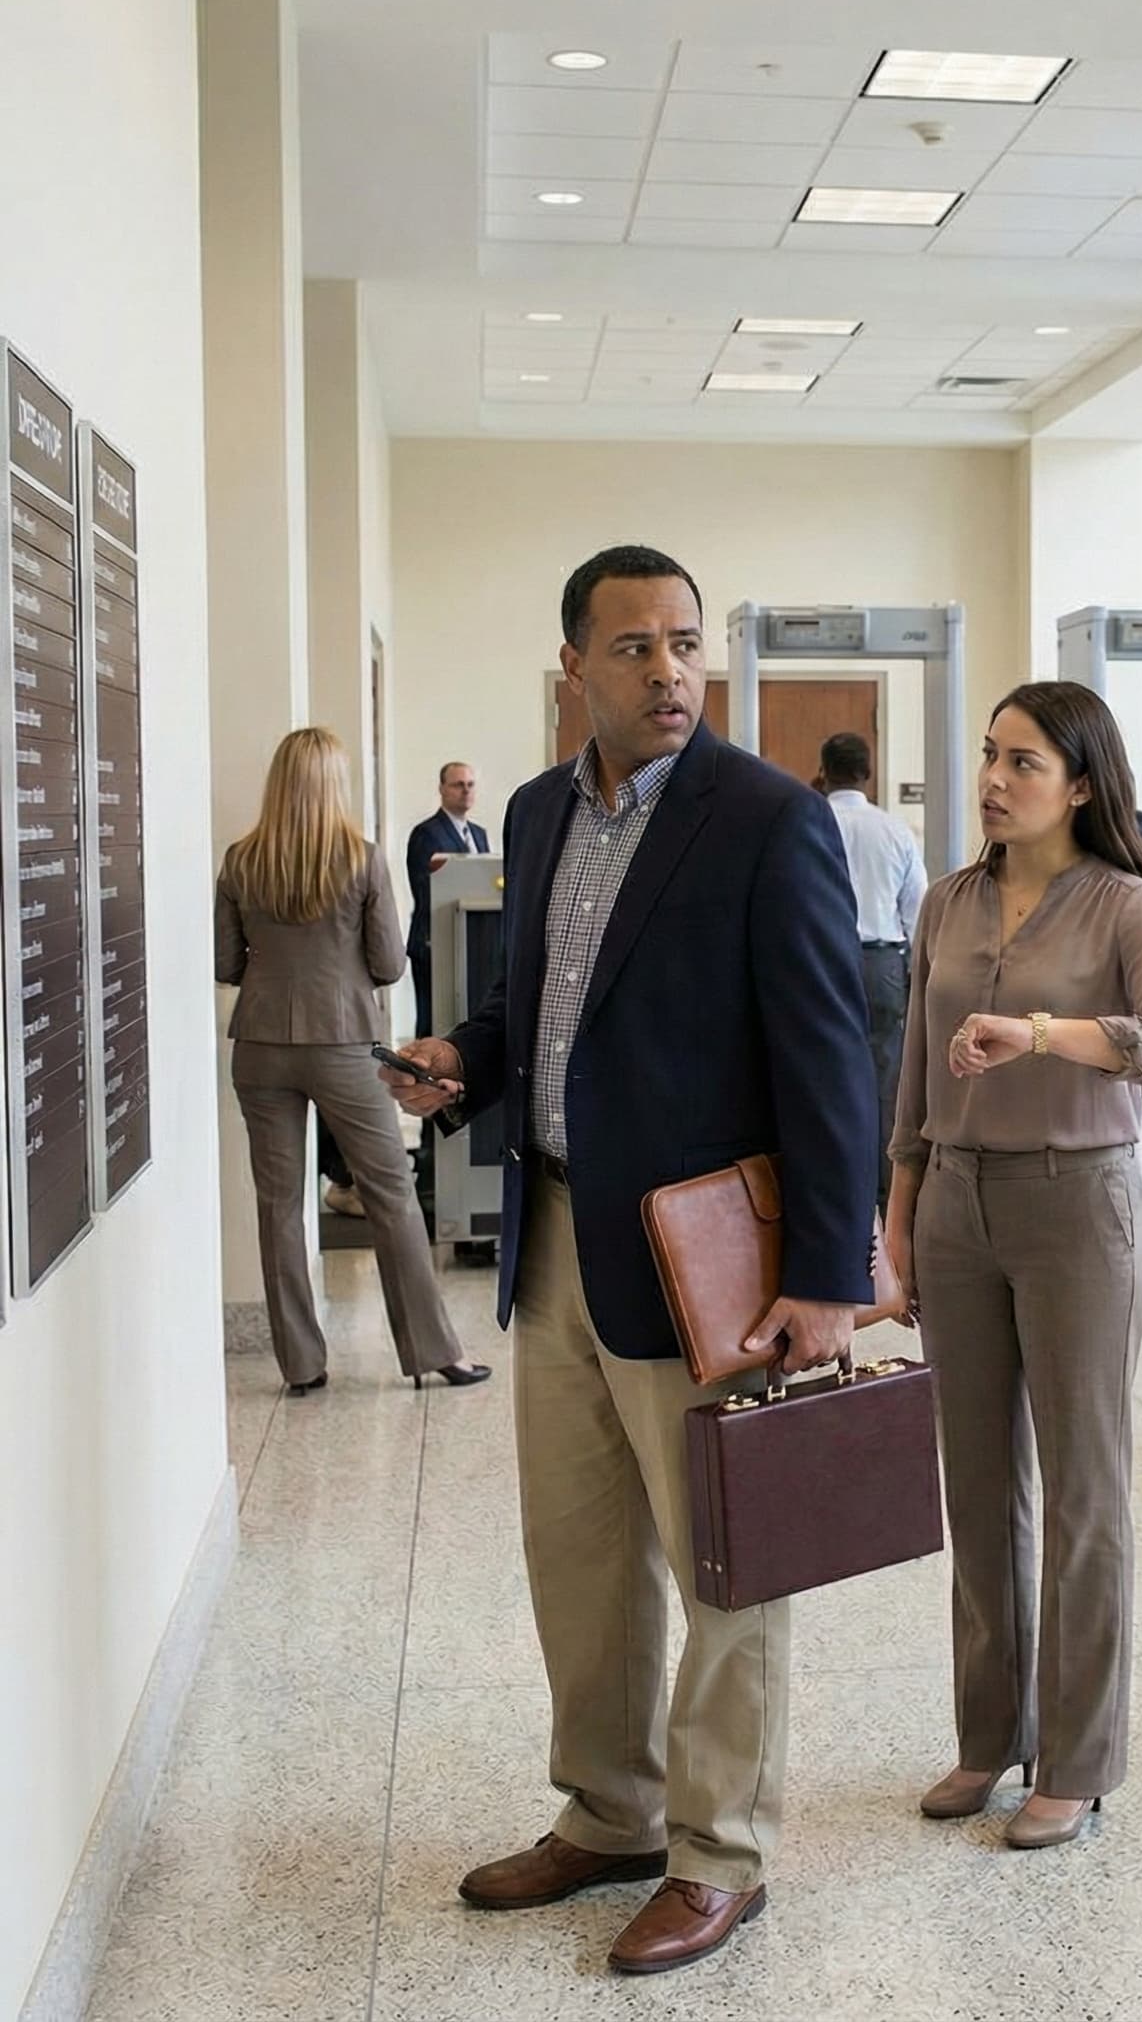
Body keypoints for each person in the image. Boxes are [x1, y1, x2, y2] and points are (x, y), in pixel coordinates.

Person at [380, 545, 875, 1974]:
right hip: (556, 1239)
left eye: (685, 643)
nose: (668, 670)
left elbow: (828, 1056)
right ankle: (611, 1814)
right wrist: (457, 1061)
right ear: (575, 671)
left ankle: (723, 1853)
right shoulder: (538, 815)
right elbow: (532, 1008)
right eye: (635, 647)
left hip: (706, 1260)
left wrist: (830, 1273)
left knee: (727, 1564)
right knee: (581, 1556)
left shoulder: (768, 820)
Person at [886, 682, 1142, 1852]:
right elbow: (917, 1060)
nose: (993, 778)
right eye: (987, 755)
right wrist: (900, 1199)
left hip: (1078, 1204)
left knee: (1082, 1487)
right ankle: (988, 1733)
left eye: (1021, 761)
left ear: (1080, 782)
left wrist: (1046, 1033)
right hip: (955, 1204)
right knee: (974, 1482)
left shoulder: (1126, 904)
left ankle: (1076, 1756)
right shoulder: (946, 901)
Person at [215, 728, 488, 1397]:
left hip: (260, 1048)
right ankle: (433, 1353)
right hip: (341, 1044)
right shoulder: (361, 860)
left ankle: (302, 1367)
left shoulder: (241, 860)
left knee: (279, 1207)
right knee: (391, 1193)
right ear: (336, 785)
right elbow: (390, 964)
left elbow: (225, 965)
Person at [818, 730, 926, 1209]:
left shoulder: (809, 821)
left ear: (824, 772)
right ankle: (884, 1195)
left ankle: (833, 1185)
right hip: (882, 962)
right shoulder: (895, 830)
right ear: (867, 773)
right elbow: (916, 910)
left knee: (822, 1072)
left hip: (822, 962)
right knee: (886, 1080)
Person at [405, 761, 489, 1039]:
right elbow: (424, 890)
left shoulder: (479, 835)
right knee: (432, 1022)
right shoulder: (426, 834)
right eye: (458, 785)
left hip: (473, 941)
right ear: (442, 789)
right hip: (433, 942)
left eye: (470, 784)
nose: (466, 791)